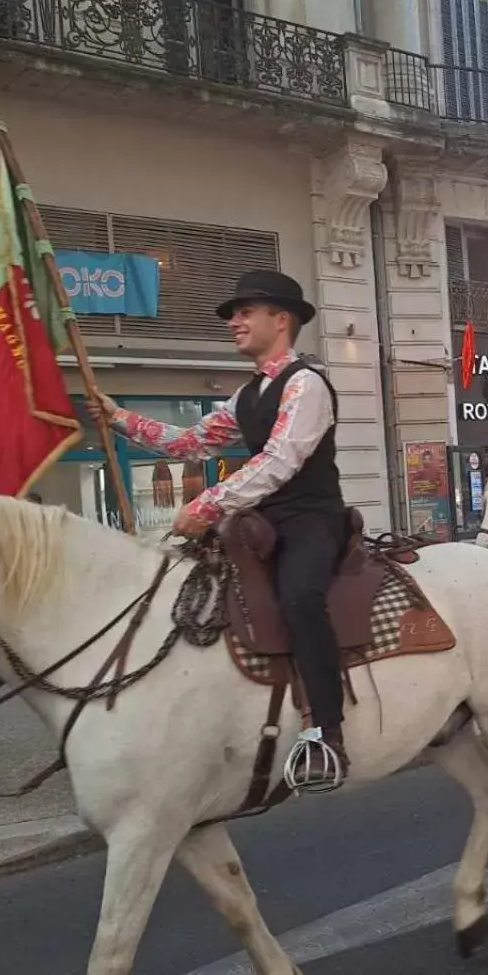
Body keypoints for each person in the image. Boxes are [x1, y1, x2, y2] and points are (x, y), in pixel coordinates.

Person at [91, 270, 352, 792]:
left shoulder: (306, 385)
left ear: (282, 320)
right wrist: (120, 417)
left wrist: (208, 504)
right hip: (262, 519)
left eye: (245, 311)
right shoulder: (248, 394)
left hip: (310, 519)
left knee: (300, 597)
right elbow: (191, 442)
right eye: (234, 314)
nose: (233, 321)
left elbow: (280, 460)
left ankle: (327, 731)